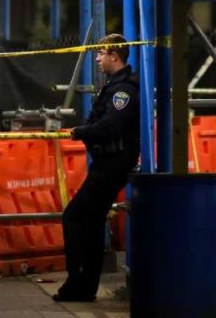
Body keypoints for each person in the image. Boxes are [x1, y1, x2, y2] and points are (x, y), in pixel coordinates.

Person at [53, 33, 140, 303]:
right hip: (107, 163)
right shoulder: (114, 85)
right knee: (90, 222)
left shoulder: (122, 90)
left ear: (115, 55)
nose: (98, 58)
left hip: (112, 165)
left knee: (74, 217)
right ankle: (83, 287)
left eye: (101, 53)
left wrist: (82, 132)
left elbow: (111, 125)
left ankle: (77, 283)